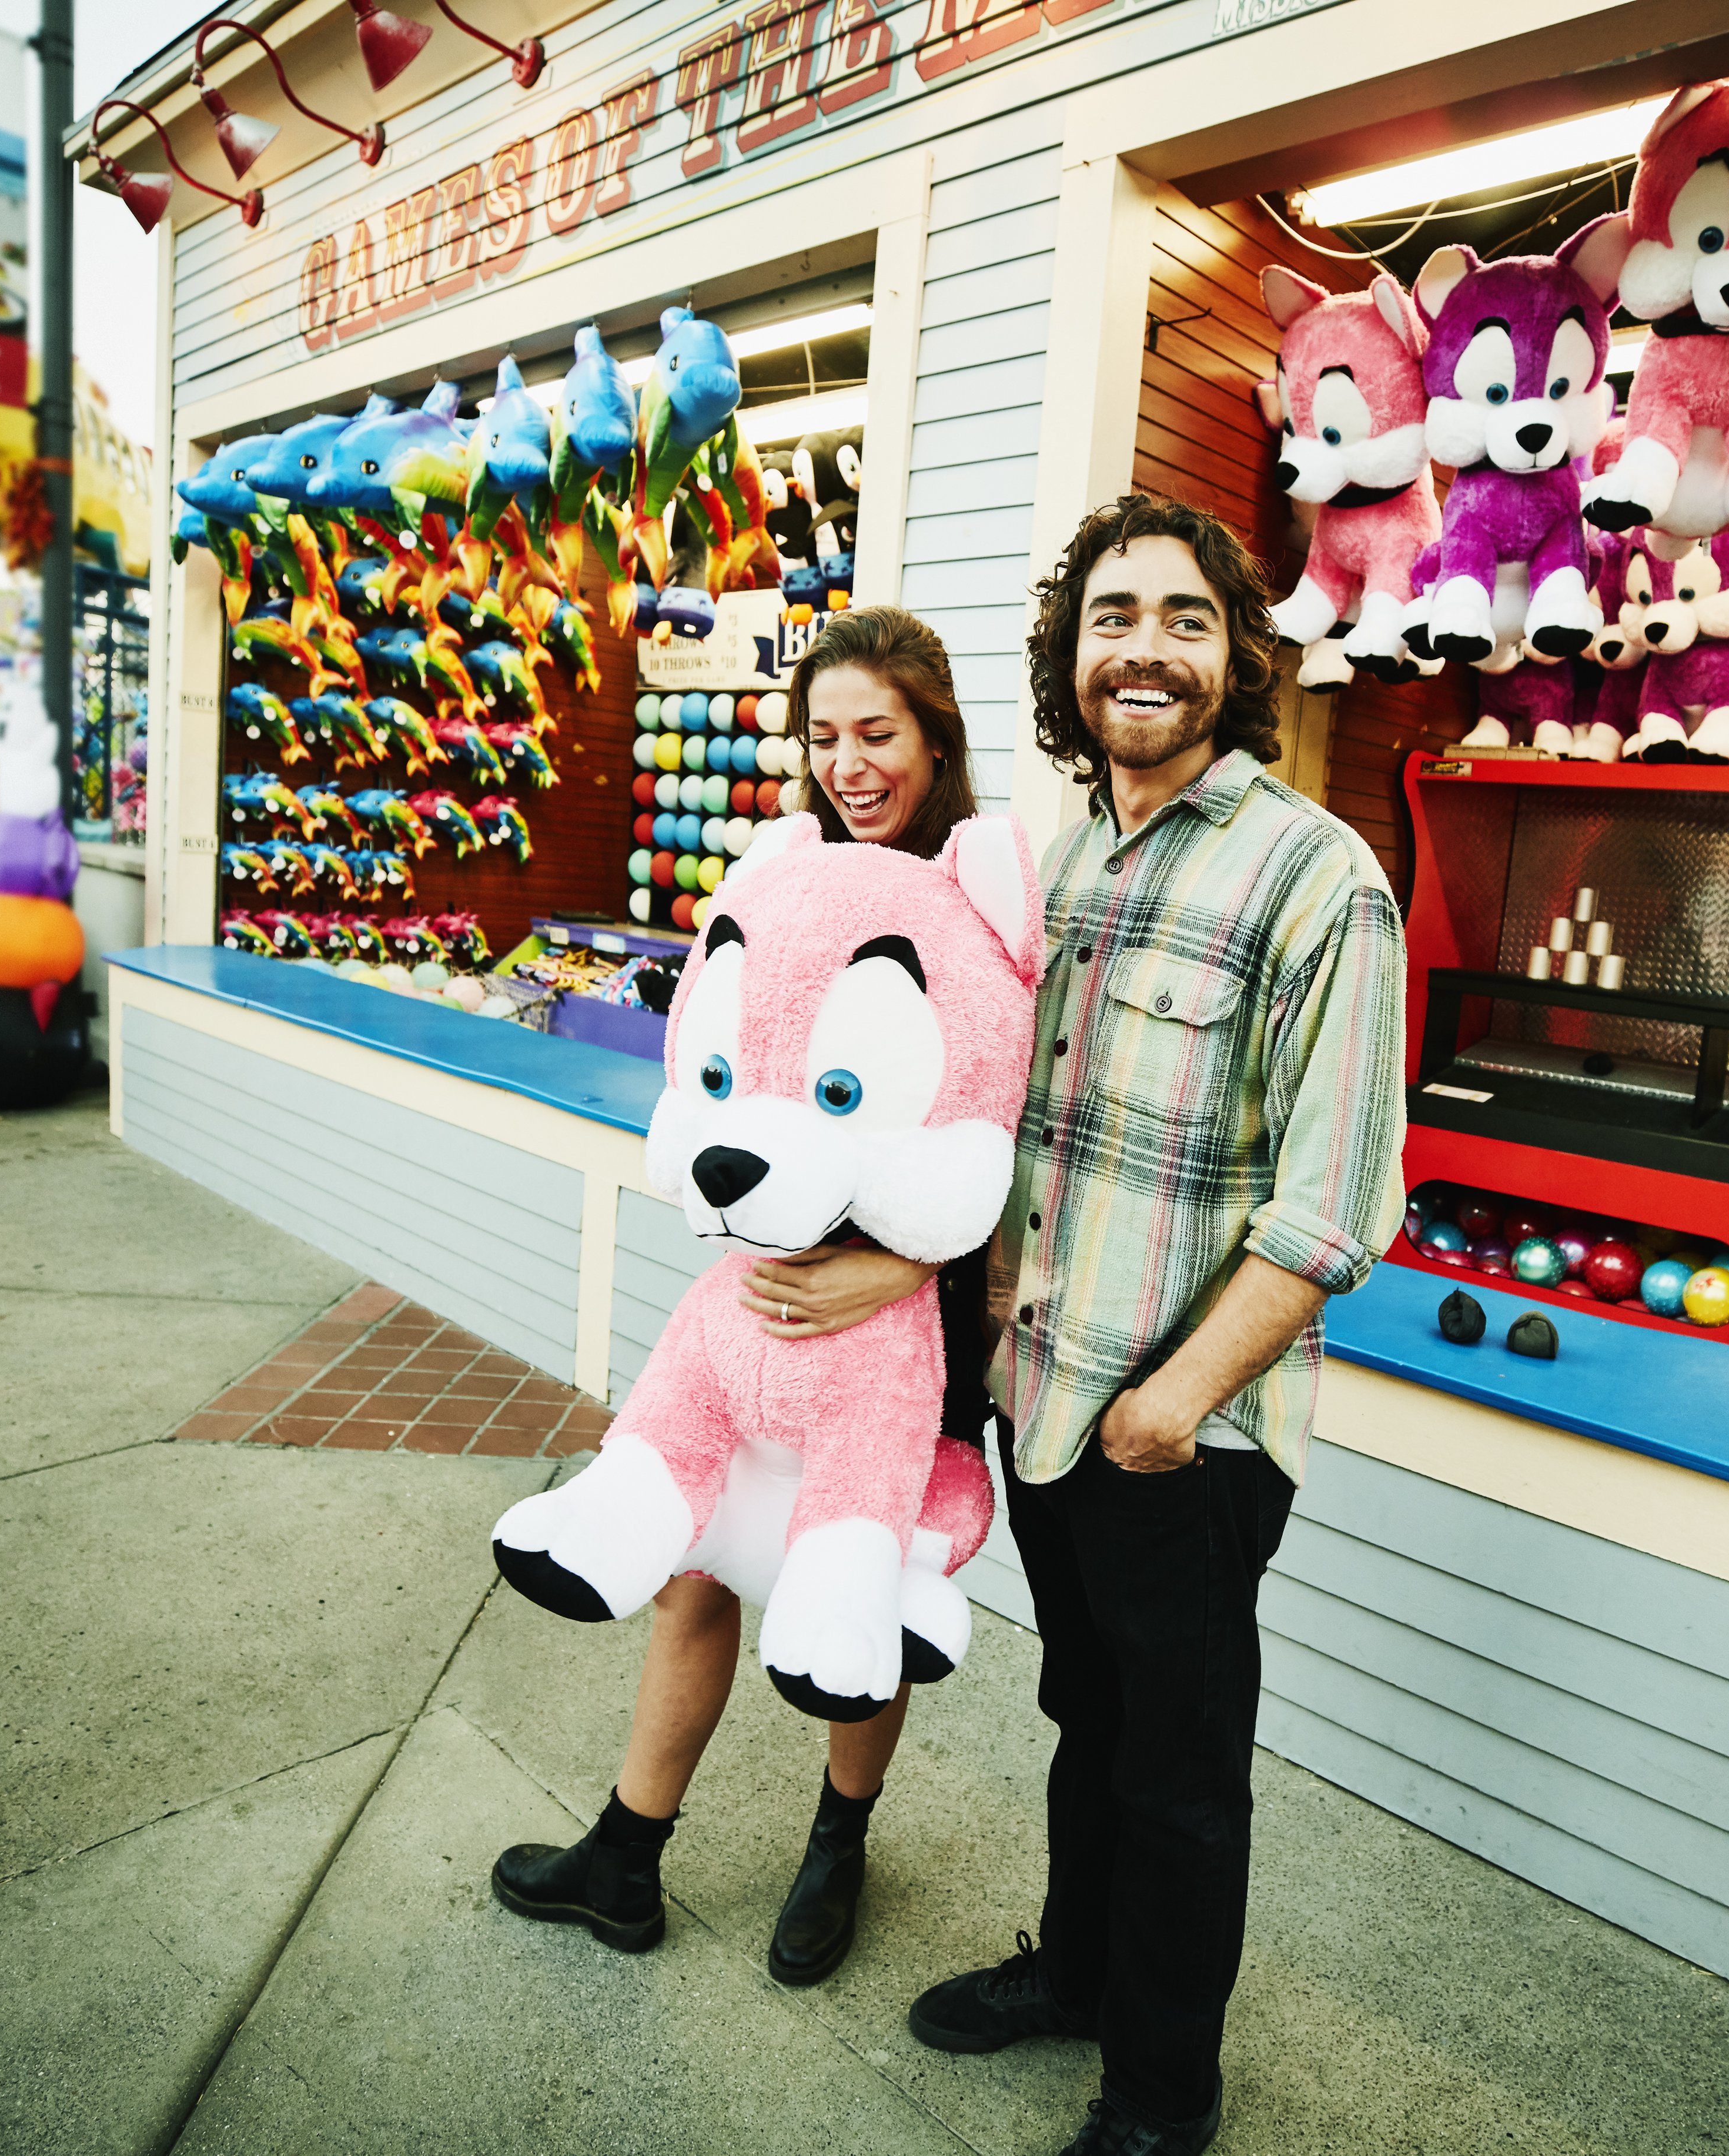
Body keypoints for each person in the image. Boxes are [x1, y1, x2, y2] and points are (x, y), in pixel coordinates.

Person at [905, 495, 1407, 2156]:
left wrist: (1170, 1404)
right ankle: (1081, 1977)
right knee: (1088, 1720)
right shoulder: (1063, 859)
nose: (1147, 646)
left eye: (1188, 619)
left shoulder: (1316, 876)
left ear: (1238, 658)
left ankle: (1161, 2092)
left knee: (1181, 1776)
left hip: (1176, 1436)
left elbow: (1335, 1210)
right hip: (1037, 1399)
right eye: (1115, 614)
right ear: (1068, 655)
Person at [491, 604, 996, 1987]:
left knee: (866, 1576)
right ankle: (626, 1852)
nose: (849, 762)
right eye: (824, 736)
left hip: (921, 1312)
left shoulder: (977, 890)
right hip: (770, 1293)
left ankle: (838, 1843)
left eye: (877, 733)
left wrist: (905, 1262)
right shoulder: (785, 877)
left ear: (934, 735)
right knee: (694, 1570)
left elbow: (1024, 1121)